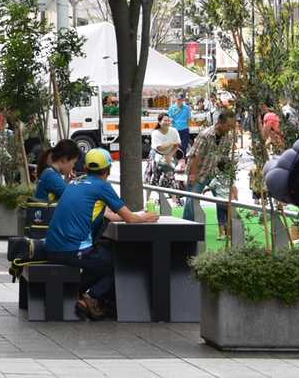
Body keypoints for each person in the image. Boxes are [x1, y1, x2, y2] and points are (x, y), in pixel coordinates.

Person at [43, 149, 159, 320]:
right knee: (121, 261)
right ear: (108, 170)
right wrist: (145, 217)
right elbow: (130, 218)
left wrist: (134, 216)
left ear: (86, 168)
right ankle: (92, 297)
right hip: (74, 250)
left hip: (51, 247)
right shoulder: (102, 186)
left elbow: (105, 214)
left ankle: (79, 294)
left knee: (101, 258)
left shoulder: (76, 182)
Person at [186, 110, 238, 235]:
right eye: (229, 126)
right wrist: (193, 175)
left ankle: (228, 229)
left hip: (214, 173)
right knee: (191, 202)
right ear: (220, 122)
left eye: (232, 126)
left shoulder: (227, 138)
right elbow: (195, 156)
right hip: (199, 172)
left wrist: (230, 179)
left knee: (224, 200)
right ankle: (186, 229)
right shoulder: (205, 135)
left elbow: (224, 158)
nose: (230, 129)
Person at [33, 139, 81, 225]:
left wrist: (67, 181)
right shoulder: (51, 176)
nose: (73, 166)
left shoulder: (51, 172)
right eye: (73, 162)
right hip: (47, 225)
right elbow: (71, 197)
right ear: (64, 159)